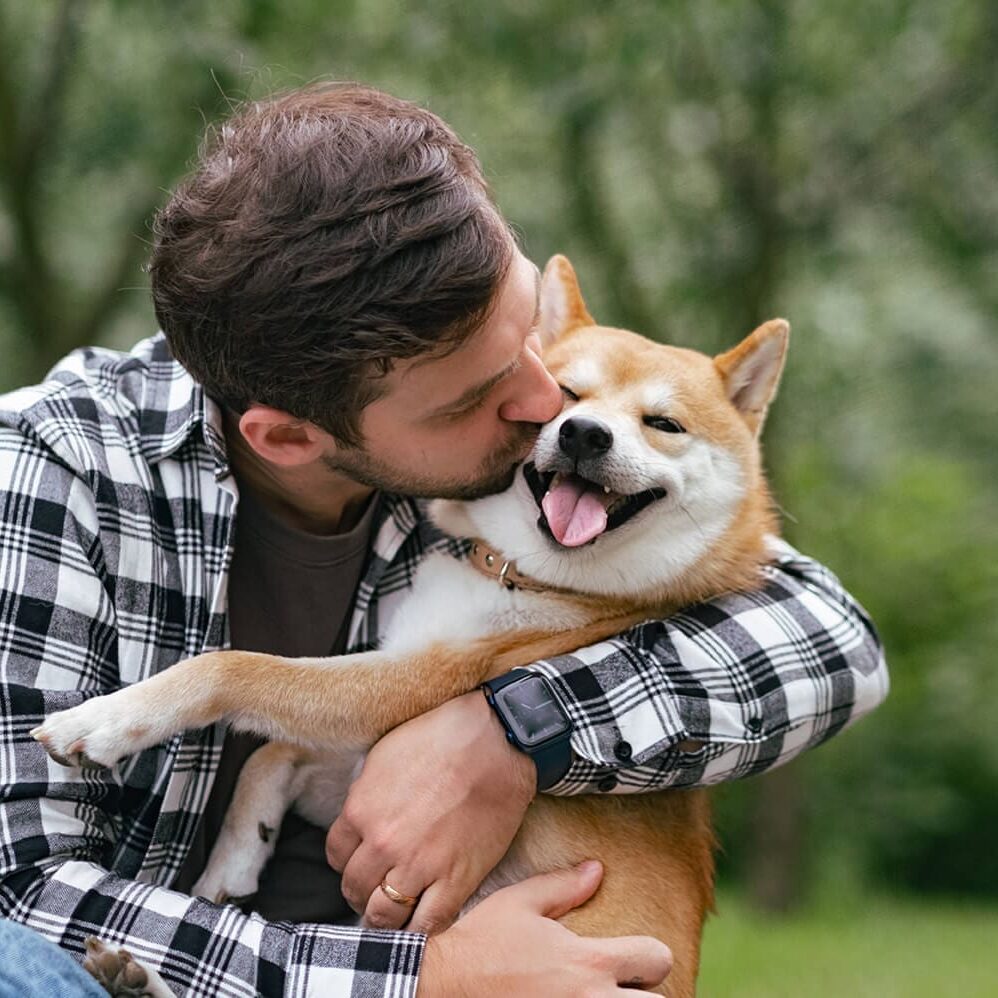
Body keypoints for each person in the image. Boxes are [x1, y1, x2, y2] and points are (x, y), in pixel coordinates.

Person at [0, 83, 888, 996]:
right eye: (474, 399)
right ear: (292, 436)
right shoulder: (45, 476)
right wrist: (423, 978)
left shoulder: (530, 470)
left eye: (529, 345)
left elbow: (834, 641)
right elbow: (24, 894)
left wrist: (515, 730)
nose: (548, 409)